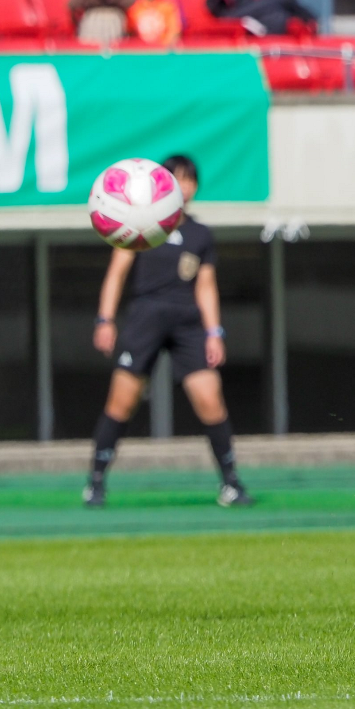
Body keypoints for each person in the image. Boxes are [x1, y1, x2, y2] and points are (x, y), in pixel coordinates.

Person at [85, 156, 252, 509]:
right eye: (177, 178)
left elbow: (206, 286)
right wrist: (105, 319)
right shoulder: (139, 223)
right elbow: (116, 273)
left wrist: (214, 331)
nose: (185, 185)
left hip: (188, 324)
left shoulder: (201, 234)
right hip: (145, 318)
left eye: (190, 179)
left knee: (210, 400)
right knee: (121, 403)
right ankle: (95, 482)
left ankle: (232, 483)